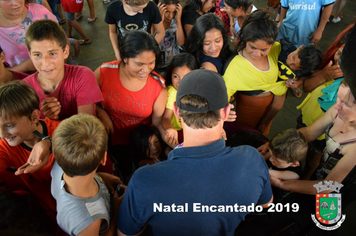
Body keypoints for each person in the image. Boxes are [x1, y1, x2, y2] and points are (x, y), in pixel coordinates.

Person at [117, 68, 273, 236]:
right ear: (226, 112)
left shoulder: (144, 180)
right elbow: (267, 204)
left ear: (177, 111)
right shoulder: (252, 160)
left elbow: (126, 233)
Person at [258, 80, 356, 195]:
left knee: (325, 212)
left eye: (346, 104)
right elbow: (309, 133)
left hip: (339, 187)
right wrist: (274, 146)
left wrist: (281, 184)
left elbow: (329, 186)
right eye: (338, 97)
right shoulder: (338, 111)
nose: (337, 105)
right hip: (323, 170)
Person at [94, 31, 167, 183]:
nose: (146, 70)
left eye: (151, 63)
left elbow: (158, 122)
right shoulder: (105, 72)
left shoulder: (158, 85)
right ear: (125, 58)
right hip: (113, 138)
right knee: (124, 171)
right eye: (139, 64)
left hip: (142, 144)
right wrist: (102, 114)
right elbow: (87, 99)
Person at [296, 24, 352, 179]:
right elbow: (308, 132)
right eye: (340, 54)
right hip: (323, 187)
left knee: (323, 186)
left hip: (332, 191)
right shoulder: (335, 113)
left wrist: (287, 185)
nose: (341, 62)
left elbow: (331, 187)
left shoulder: (350, 148)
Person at [0, 81, 60, 223]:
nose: (2, 134)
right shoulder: (5, 146)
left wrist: (50, 143)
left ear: (34, 117)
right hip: (47, 214)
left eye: (9, 125)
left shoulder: (60, 130)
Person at [51, 113, 121, 235]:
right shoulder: (88, 220)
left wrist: (101, 177)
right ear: (104, 158)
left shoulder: (59, 165)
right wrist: (117, 212)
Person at [23, 19, 103, 120]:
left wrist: (51, 124)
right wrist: (50, 121)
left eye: (52, 53)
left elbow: (84, 127)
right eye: (37, 55)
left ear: (65, 52)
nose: (46, 63)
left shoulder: (83, 76)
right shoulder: (24, 90)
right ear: (30, 55)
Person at [223, 10, 284, 135]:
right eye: (252, 47)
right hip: (246, 114)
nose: (257, 54)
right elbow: (222, 99)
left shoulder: (277, 50)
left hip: (269, 113)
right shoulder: (234, 67)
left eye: (264, 49)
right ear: (245, 40)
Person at [0, 0, 58, 73]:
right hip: (20, 81)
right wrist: (27, 66)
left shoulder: (40, 12)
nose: (16, 3)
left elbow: (62, 42)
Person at [162, 53, 199, 146]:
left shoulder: (197, 89)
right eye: (175, 76)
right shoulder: (173, 92)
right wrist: (170, 130)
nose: (180, 82)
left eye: (186, 77)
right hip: (176, 131)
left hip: (190, 129)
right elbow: (166, 118)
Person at [156, 0, 184, 70]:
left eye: (174, 12)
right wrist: (160, 20)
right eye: (167, 11)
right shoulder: (154, 21)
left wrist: (178, 20)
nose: (170, 16)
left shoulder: (175, 21)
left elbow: (180, 42)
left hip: (173, 63)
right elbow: (153, 41)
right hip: (158, 64)